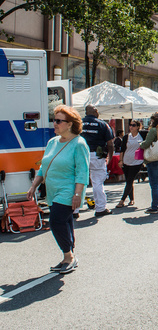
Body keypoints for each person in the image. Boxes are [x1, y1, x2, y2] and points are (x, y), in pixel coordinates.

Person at [26, 105, 89, 274]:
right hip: (53, 191)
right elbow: (44, 167)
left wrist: (77, 194)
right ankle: (68, 256)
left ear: (69, 124)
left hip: (69, 190)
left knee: (56, 221)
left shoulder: (79, 144)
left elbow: (82, 172)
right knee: (65, 222)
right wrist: (34, 185)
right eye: (54, 120)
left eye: (59, 121)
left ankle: (69, 256)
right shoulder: (52, 142)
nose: (55, 123)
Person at [80, 105, 114, 217]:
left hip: (81, 155)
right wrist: (110, 157)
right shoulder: (102, 124)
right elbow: (110, 144)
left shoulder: (79, 123)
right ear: (95, 112)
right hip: (97, 156)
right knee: (97, 182)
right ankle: (100, 208)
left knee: (78, 182)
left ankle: (75, 211)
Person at [116, 120, 145, 208]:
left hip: (137, 162)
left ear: (138, 127)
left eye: (133, 125)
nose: (131, 127)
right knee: (129, 180)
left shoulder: (142, 135)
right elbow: (122, 150)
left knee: (130, 180)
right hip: (126, 161)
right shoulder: (126, 137)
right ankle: (131, 199)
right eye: (130, 125)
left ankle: (122, 200)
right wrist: (120, 161)